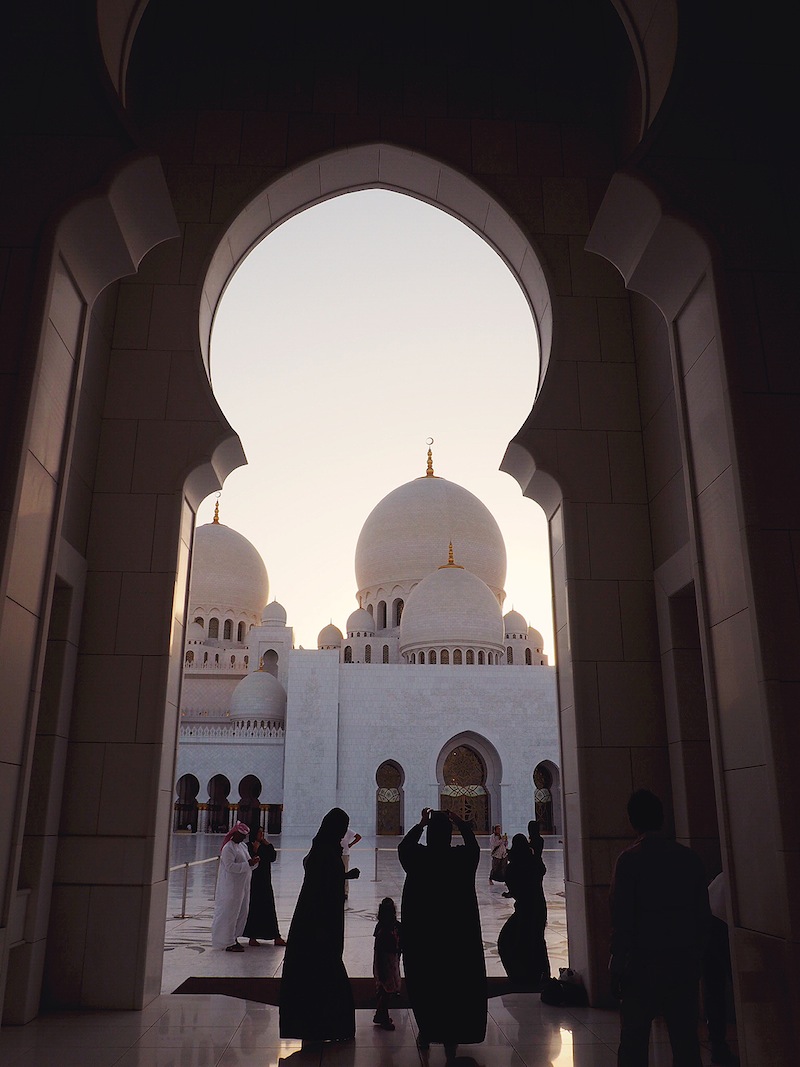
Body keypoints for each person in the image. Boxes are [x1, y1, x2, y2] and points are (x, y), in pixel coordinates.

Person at [609, 790, 711, 1067]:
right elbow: (703, 915)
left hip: (642, 964)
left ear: (632, 821)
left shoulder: (629, 860)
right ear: (662, 818)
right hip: (681, 962)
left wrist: (617, 963)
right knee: (686, 1041)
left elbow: (622, 919)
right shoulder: (688, 859)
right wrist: (694, 956)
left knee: (633, 1041)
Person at [399, 808, 486, 1062]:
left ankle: (426, 1031)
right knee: (452, 987)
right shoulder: (461, 859)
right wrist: (461, 823)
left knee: (427, 985)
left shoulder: (419, 858)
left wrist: (420, 824)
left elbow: (404, 847)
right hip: (455, 940)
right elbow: (474, 847)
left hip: (426, 940)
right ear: (449, 835)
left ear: (429, 835)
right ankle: (451, 1039)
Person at [279, 807, 360, 1042]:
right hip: (320, 927)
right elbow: (323, 884)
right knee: (324, 972)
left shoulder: (321, 849)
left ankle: (315, 1027)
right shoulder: (326, 852)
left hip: (312, 923)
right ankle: (325, 1026)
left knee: (315, 973)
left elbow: (320, 879)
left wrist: (344, 876)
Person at [497, 833, 550, 985]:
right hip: (539, 909)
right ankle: (540, 977)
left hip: (524, 910)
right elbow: (541, 868)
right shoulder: (534, 863)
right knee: (536, 942)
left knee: (509, 941)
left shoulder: (513, 868)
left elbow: (514, 888)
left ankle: (523, 979)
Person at [702, 873, 738, 1065]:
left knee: (713, 989)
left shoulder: (724, 877)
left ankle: (717, 1045)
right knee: (737, 988)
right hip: (722, 925)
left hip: (706, 923)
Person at [210, 820, 259, 951]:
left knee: (241, 913)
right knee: (229, 914)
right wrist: (248, 864)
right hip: (231, 888)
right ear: (234, 834)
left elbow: (248, 863)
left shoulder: (242, 846)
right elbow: (230, 867)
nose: (243, 838)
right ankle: (226, 942)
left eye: (244, 836)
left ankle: (233, 938)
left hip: (242, 887)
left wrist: (253, 862)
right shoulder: (228, 848)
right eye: (241, 835)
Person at [242, 825, 286, 947]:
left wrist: (268, 844)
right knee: (254, 909)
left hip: (265, 881)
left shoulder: (265, 846)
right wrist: (255, 851)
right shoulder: (248, 846)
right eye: (259, 833)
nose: (262, 835)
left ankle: (276, 937)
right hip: (254, 882)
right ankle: (252, 937)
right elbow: (248, 861)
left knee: (268, 908)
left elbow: (272, 857)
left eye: (262, 833)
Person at [372, 896, 402, 1031]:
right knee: (386, 991)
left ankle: (380, 1014)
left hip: (387, 962)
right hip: (386, 963)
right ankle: (383, 1016)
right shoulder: (386, 929)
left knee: (385, 990)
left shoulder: (383, 928)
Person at [340, 827, 361, 900]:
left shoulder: (348, 831)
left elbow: (358, 837)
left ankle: (345, 892)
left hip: (345, 854)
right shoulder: (334, 829)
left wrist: (350, 844)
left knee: (345, 873)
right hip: (336, 854)